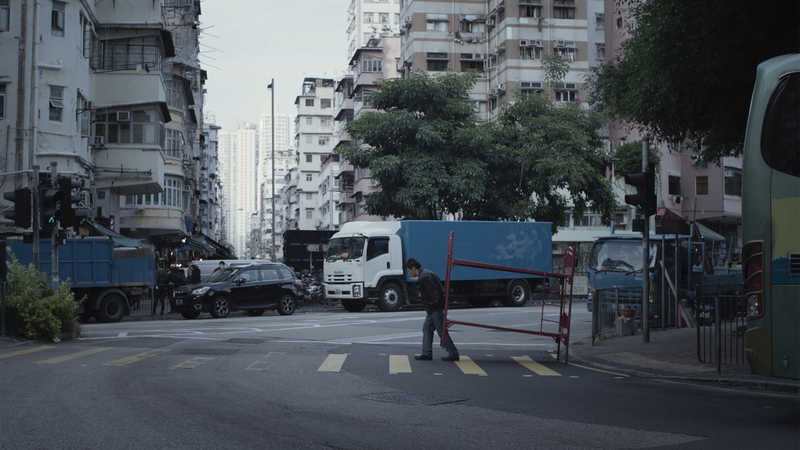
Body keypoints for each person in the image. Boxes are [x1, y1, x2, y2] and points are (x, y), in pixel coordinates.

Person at [405, 258, 459, 361]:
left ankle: (453, 352)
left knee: (440, 331)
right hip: (432, 309)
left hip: (435, 308)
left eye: (409, 270)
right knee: (427, 328)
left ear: (413, 268)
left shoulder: (425, 277)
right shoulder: (425, 274)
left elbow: (434, 295)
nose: (409, 273)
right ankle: (426, 353)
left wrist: (441, 308)